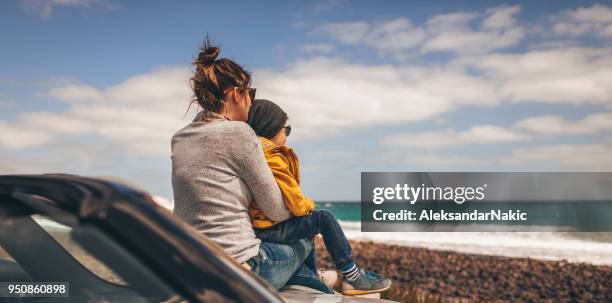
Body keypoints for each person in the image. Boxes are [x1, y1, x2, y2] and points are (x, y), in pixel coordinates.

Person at [171, 39, 332, 293]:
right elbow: (277, 210)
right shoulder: (240, 133)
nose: (251, 102)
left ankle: (312, 282)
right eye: (250, 94)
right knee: (305, 235)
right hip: (240, 271)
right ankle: (317, 289)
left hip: (190, 266)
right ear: (237, 93)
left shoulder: (179, 139)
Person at [246, 99, 392, 295]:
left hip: (260, 229)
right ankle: (353, 276)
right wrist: (310, 209)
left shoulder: (257, 153)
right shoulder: (271, 156)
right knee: (323, 218)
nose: (286, 135)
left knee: (308, 228)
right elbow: (296, 202)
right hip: (267, 228)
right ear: (271, 128)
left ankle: (315, 277)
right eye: (285, 130)